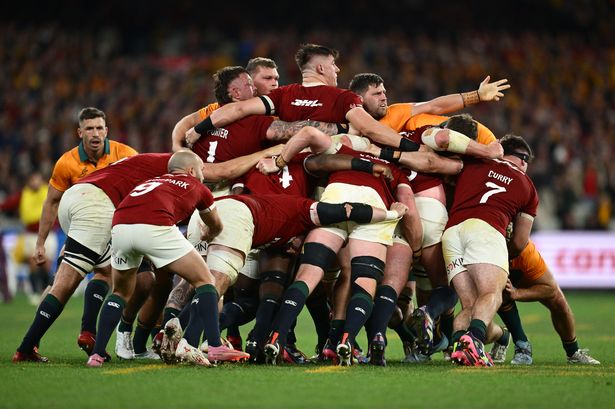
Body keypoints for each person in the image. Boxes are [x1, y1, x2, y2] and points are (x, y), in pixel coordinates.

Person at [87, 150, 251, 367]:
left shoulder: (151, 182)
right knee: (205, 280)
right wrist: (209, 233)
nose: (203, 175)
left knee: (120, 293)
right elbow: (216, 224)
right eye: (201, 170)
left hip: (120, 226)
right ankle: (214, 345)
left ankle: (97, 355)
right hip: (155, 226)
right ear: (191, 171)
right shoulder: (197, 186)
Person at [15, 107, 137, 362]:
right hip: (82, 232)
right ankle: (49, 341)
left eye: (99, 128)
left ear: (107, 130)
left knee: (98, 274)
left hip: (112, 230)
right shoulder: (67, 163)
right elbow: (51, 202)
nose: (95, 134)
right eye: (89, 129)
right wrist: (40, 242)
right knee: (65, 285)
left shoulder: (125, 154)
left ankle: (74, 335)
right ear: (79, 132)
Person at [184, 44, 419, 152]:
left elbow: (236, 109)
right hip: (322, 178)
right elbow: (371, 129)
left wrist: (197, 130)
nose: (337, 69)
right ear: (320, 69)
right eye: (333, 64)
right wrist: (411, 147)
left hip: (282, 168)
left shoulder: (282, 95)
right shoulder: (343, 97)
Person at [442, 134, 539, 367]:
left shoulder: (475, 162)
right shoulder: (528, 186)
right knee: (491, 294)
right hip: (486, 230)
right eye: (526, 161)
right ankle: (474, 342)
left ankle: (460, 346)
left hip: (451, 233)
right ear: (522, 160)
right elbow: (520, 241)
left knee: (470, 306)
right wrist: (500, 257)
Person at [489, 239, 600, 365]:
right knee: (499, 292)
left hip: (521, 273)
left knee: (558, 302)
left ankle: (573, 351)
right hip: (491, 261)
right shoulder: (486, 250)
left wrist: (517, 293)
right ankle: (516, 342)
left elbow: (550, 288)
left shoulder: (527, 253)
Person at [0, 172, 57, 301]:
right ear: (29, 181)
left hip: (48, 233)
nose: (35, 182)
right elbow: (8, 204)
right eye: (33, 180)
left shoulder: (50, 191)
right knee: (33, 263)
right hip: (31, 234)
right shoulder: (23, 194)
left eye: (37, 179)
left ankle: (46, 291)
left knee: (47, 264)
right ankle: (35, 293)